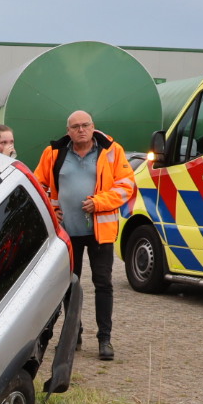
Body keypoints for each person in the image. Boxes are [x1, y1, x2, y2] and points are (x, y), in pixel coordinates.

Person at [34, 110, 136, 361]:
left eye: (85, 125)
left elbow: (126, 186)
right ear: (68, 131)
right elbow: (39, 185)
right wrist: (50, 210)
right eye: (75, 126)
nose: (81, 129)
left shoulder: (112, 151)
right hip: (67, 233)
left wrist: (99, 202)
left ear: (93, 127)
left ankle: (105, 339)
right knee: (70, 285)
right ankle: (73, 336)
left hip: (99, 231)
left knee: (103, 284)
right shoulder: (54, 153)